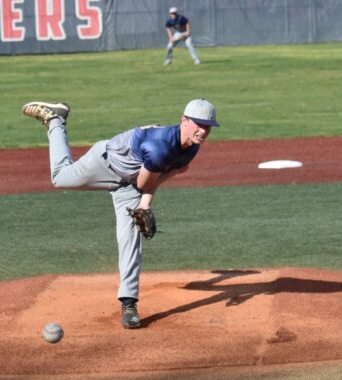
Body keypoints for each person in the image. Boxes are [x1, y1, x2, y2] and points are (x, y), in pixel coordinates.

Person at [22, 98, 219, 329]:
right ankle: (56, 119)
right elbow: (145, 181)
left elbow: (150, 179)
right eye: (199, 124)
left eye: (208, 126)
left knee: (130, 239)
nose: (203, 130)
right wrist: (150, 200)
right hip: (106, 163)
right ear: (184, 120)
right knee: (60, 177)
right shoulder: (160, 146)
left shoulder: (191, 147)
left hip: (131, 185)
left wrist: (145, 205)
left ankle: (129, 303)